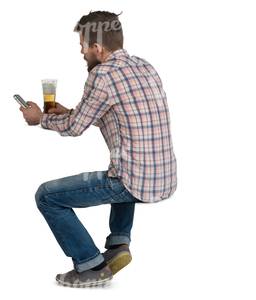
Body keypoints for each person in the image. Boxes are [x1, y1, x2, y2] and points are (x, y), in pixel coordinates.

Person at [20, 11, 177, 288]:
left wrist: (40, 118)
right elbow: (119, 115)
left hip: (132, 183)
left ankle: (90, 264)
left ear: (97, 47)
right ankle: (119, 242)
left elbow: (74, 128)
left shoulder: (101, 75)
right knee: (126, 163)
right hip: (164, 179)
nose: (80, 51)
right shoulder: (144, 66)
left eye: (82, 45)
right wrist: (72, 111)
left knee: (46, 195)